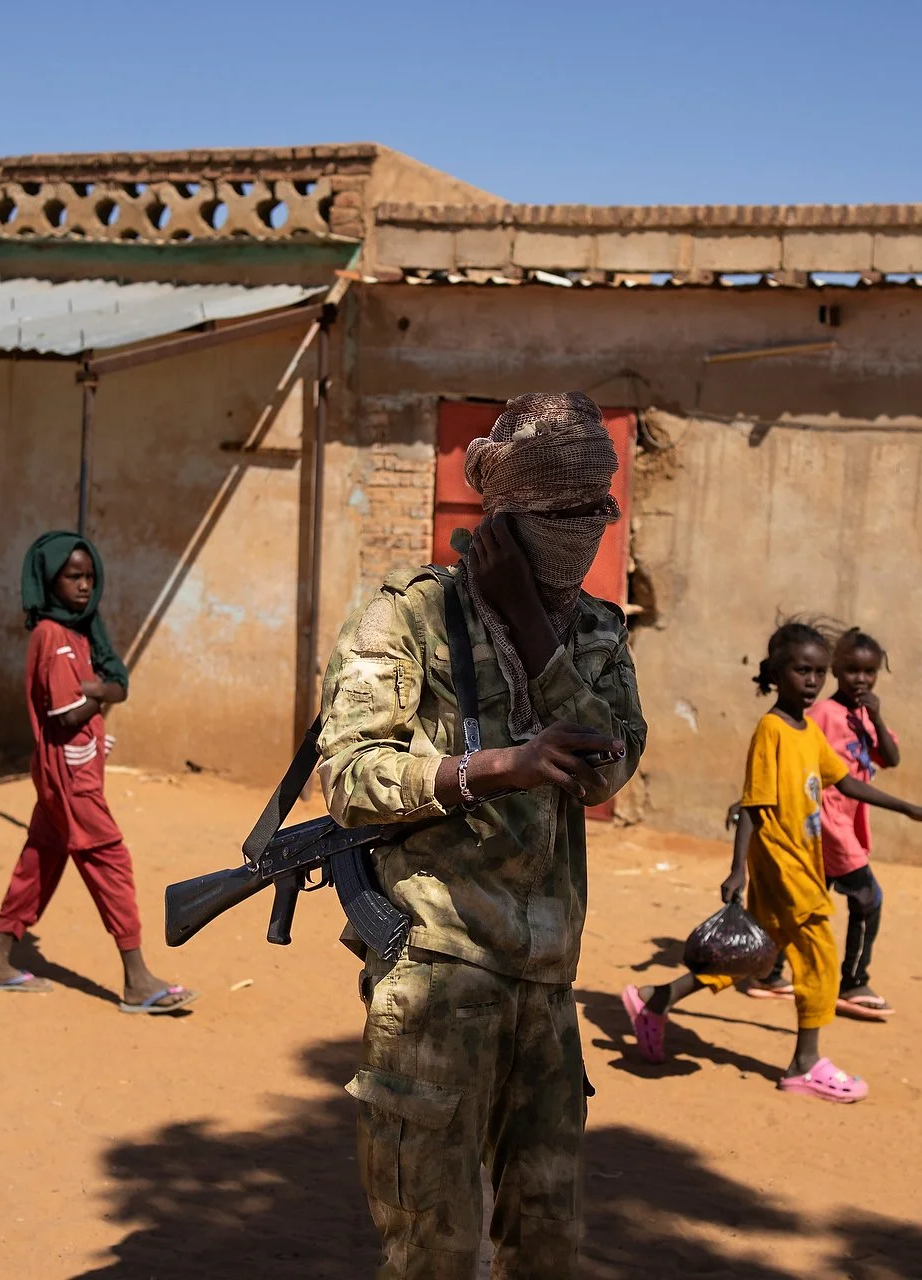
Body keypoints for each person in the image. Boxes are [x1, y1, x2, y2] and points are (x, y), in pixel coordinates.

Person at [318, 392, 646, 1277]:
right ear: (505, 519)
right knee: (435, 1249)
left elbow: (608, 769)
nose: (584, 530)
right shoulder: (411, 618)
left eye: (595, 512)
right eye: (561, 514)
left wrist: (537, 630)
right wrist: (497, 766)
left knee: (547, 1246)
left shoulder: (595, 635)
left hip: (547, 988)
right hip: (439, 979)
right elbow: (348, 778)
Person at [621, 621, 922, 1103]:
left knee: (755, 953)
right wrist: (738, 869)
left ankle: (655, 1000)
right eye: (802, 671)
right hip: (783, 863)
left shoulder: (806, 730)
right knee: (820, 959)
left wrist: (911, 809)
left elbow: (845, 781)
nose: (813, 681)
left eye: (819, 672)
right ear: (777, 673)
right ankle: (805, 1064)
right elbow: (753, 804)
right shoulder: (771, 730)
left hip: (802, 861)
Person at [0, 532, 195, 1013]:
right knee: (109, 858)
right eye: (73, 576)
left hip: (71, 771)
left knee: (41, 859)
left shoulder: (80, 631)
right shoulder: (52, 635)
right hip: (70, 777)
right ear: (51, 580)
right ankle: (137, 980)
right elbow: (68, 712)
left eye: (89, 576)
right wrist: (99, 693)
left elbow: (107, 691)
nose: (85, 585)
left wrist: (99, 692)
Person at [737, 626, 903, 1018]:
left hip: (841, 824)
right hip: (827, 823)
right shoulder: (820, 715)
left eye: (869, 672)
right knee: (867, 898)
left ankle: (767, 970)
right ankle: (853, 981)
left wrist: (876, 718)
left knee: (795, 907)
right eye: (850, 670)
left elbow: (890, 758)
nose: (860, 679)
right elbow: (793, 766)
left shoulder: (862, 714)